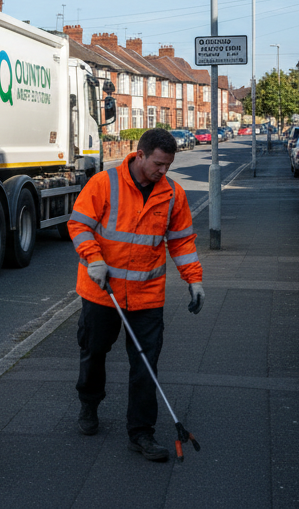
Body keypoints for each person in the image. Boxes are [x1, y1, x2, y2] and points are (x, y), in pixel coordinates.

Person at [66, 127, 206, 462]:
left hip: (146, 295)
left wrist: (194, 280)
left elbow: (182, 242)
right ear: (140, 155)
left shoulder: (172, 194)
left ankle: (141, 433)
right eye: (158, 163)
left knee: (145, 364)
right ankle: (89, 404)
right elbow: (79, 225)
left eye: (168, 166)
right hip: (102, 291)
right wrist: (94, 258)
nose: (163, 171)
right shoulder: (104, 184)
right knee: (94, 352)